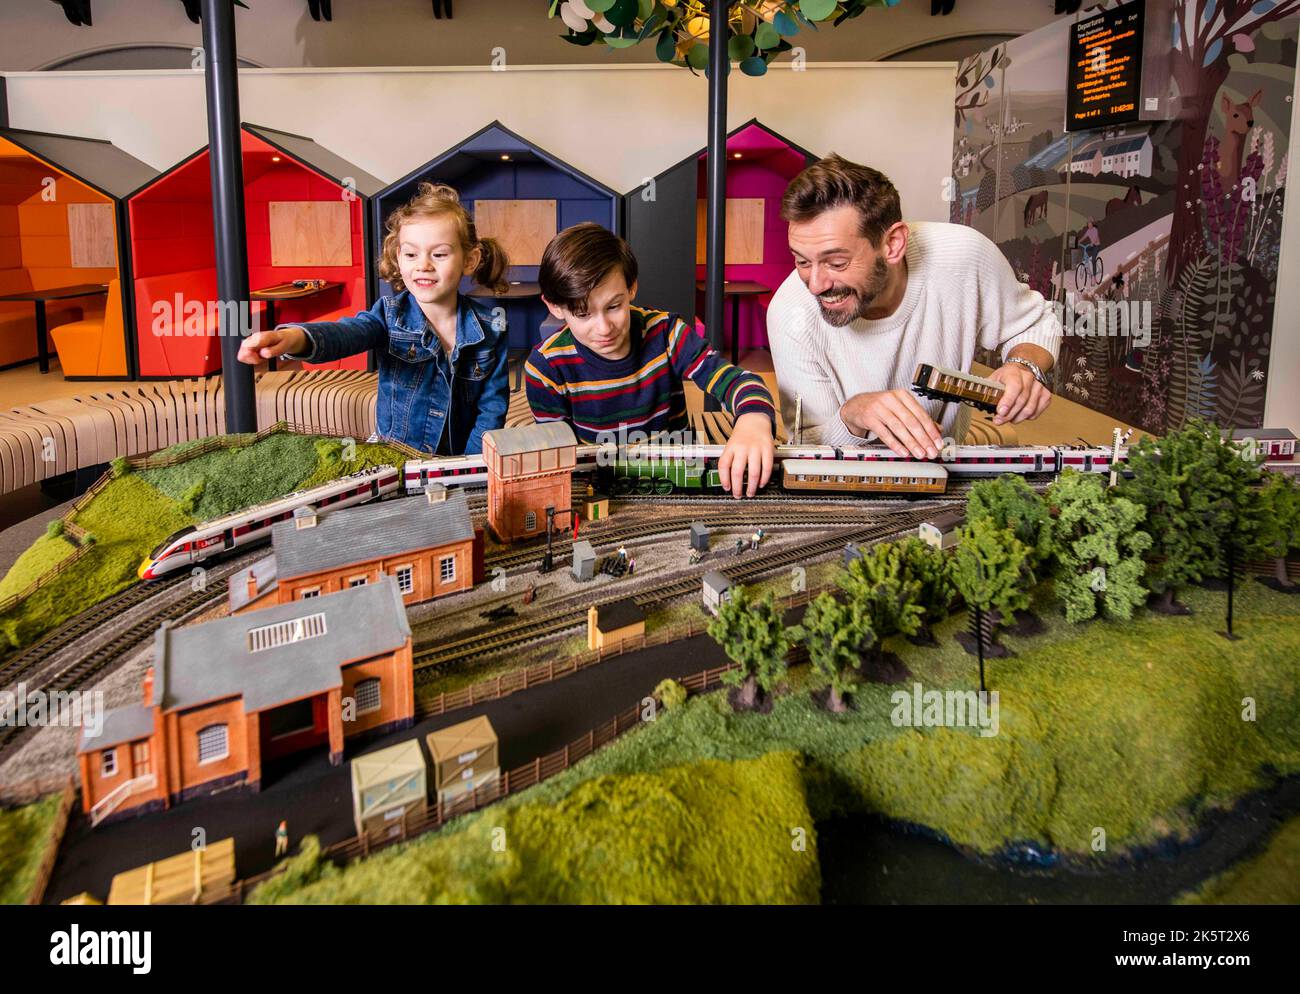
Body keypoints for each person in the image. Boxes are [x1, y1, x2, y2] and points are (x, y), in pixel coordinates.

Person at [766, 155, 1060, 457]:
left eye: (836, 262)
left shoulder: (965, 256)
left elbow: (1033, 324)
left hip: (945, 465)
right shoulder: (790, 312)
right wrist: (852, 416)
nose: (815, 284)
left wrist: (1023, 366)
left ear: (893, 244)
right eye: (801, 261)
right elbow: (806, 442)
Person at [237, 182, 511, 455]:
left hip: (459, 462)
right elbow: (347, 333)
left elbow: (492, 409)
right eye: (411, 254)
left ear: (469, 260)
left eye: (439, 254)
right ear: (398, 257)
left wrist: (470, 467)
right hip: (396, 458)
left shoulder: (490, 328)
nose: (423, 265)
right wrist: (292, 338)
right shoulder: (389, 315)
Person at [525, 223, 778, 498]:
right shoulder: (546, 367)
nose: (603, 328)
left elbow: (736, 381)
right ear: (555, 307)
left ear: (631, 288)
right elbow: (557, 454)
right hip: (600, 487)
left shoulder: (666, 333)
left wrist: (754, 420)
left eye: (614, 306)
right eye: (583, 314)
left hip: (676, 475)